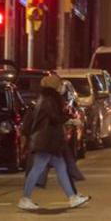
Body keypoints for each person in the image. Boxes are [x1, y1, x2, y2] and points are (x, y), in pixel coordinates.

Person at [18, 75, 89, 211]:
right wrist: (70, 119)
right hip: (47, 140)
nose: (61, 87)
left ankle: (72, 197)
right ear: (55, 86)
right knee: (37, 169)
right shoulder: (50, 99)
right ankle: (25, 198)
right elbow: (55, 117)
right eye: (59, 84)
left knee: (61, 167)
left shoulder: (44, 98)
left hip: (48, 140)